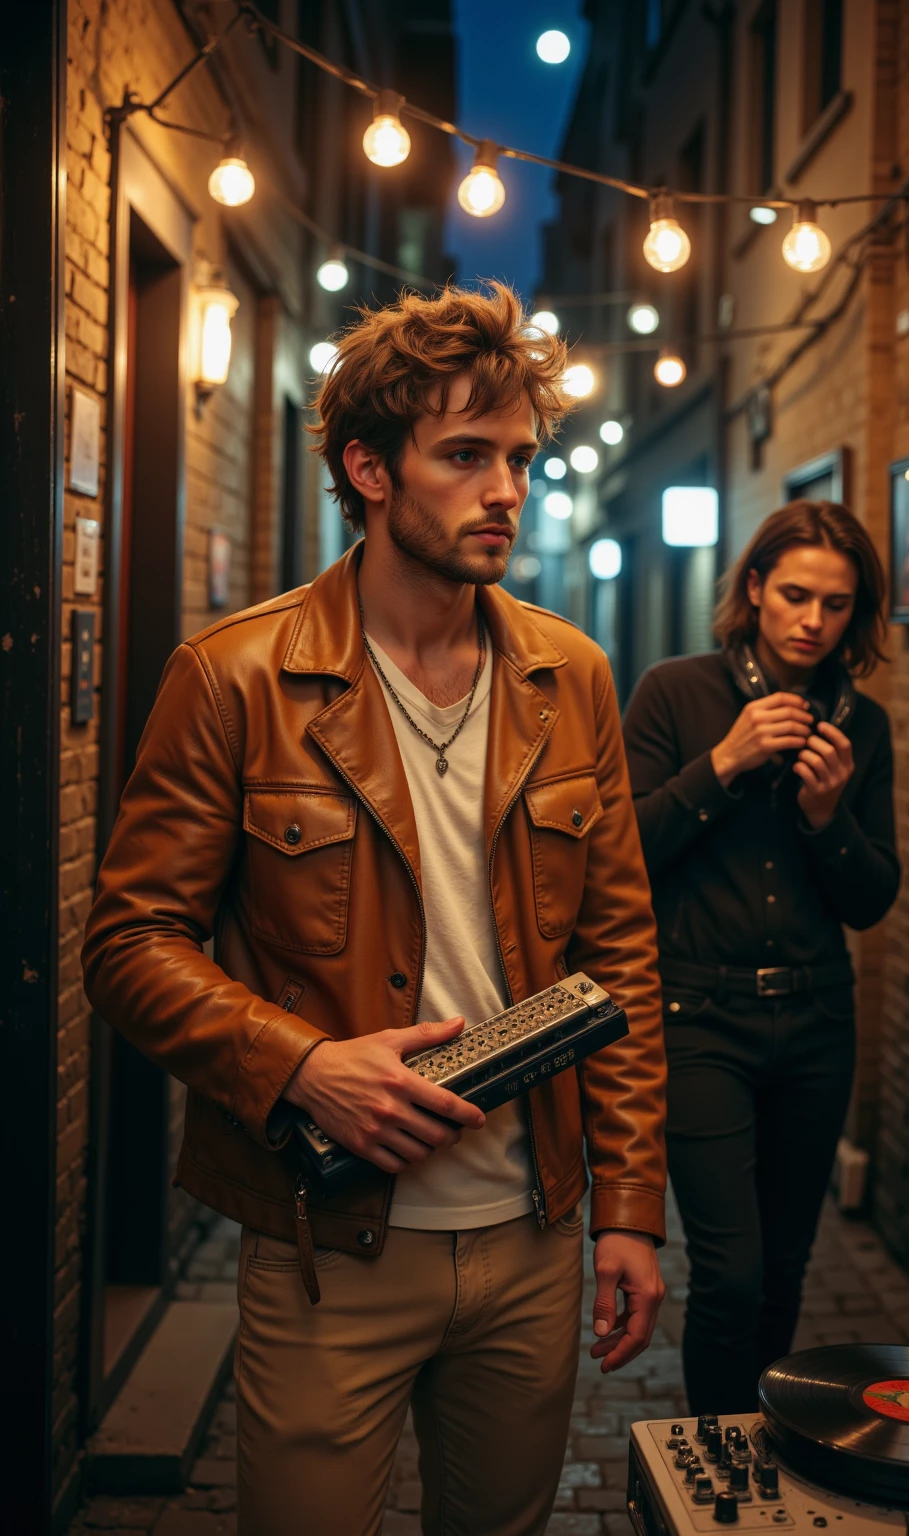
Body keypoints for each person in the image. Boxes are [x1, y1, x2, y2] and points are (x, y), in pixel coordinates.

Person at [82, 282, 667, 1536]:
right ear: (371, 467)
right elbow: (129, 944)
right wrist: (300, 1066)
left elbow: (618, 953)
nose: (506, 488)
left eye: (518, 457)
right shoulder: (236, 677)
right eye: (466, 455)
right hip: (325, 1243)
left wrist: (627, 1211)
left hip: (526, 1238)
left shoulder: (573, 677)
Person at [622, 500, 899, 1415]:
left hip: (819, 1020)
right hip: (699, 1017)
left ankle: (760, 1447)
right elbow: (618, 853)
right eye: (794, 595)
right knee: (731, 1273)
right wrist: (723, 765)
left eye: (836, 604)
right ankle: (714, 1459)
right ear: (753, 589)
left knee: (785, 1272)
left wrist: (829, 822)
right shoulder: (676, 691)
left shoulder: (864, 723)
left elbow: (871, 900)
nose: (813, 621)